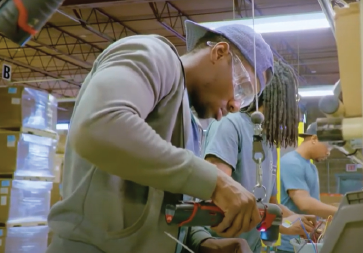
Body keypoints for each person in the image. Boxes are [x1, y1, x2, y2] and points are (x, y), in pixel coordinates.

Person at [46, 20, 274, 253]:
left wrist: (203, 241)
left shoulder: (188, 123)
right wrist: (216, 181)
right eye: (242, 89)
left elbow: (162, 206)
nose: (237, 105)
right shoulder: (154, 54)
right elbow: (99, 125)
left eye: (245, 100)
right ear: (219, 52)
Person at [203, 61, 315, 253]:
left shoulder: (268, 142)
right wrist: (283, 226)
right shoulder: (230, 125)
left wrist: (294, 218)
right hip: (222, 246)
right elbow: (220, 197)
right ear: (279, 99)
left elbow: (271, 204)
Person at [277, 122, 337, 253]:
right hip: (290, 245)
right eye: (328, 146)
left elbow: (313, 205)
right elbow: (304, 203)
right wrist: (340, 212)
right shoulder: (292, 163)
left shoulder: (311, 167)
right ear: (314, 139)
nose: (328, 152)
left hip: (306, 241)